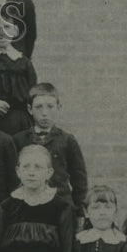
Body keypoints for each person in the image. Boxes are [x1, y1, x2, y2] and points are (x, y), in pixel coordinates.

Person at [13, 83, 88, 220]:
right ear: (30, 109)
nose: (44, 113)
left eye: (50, 107)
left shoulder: (67, 140)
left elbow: (79, 181)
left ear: (59, 107)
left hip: (61, 209)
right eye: (39, 107)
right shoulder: (19, 140)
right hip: (27, 207)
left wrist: (79, 212)